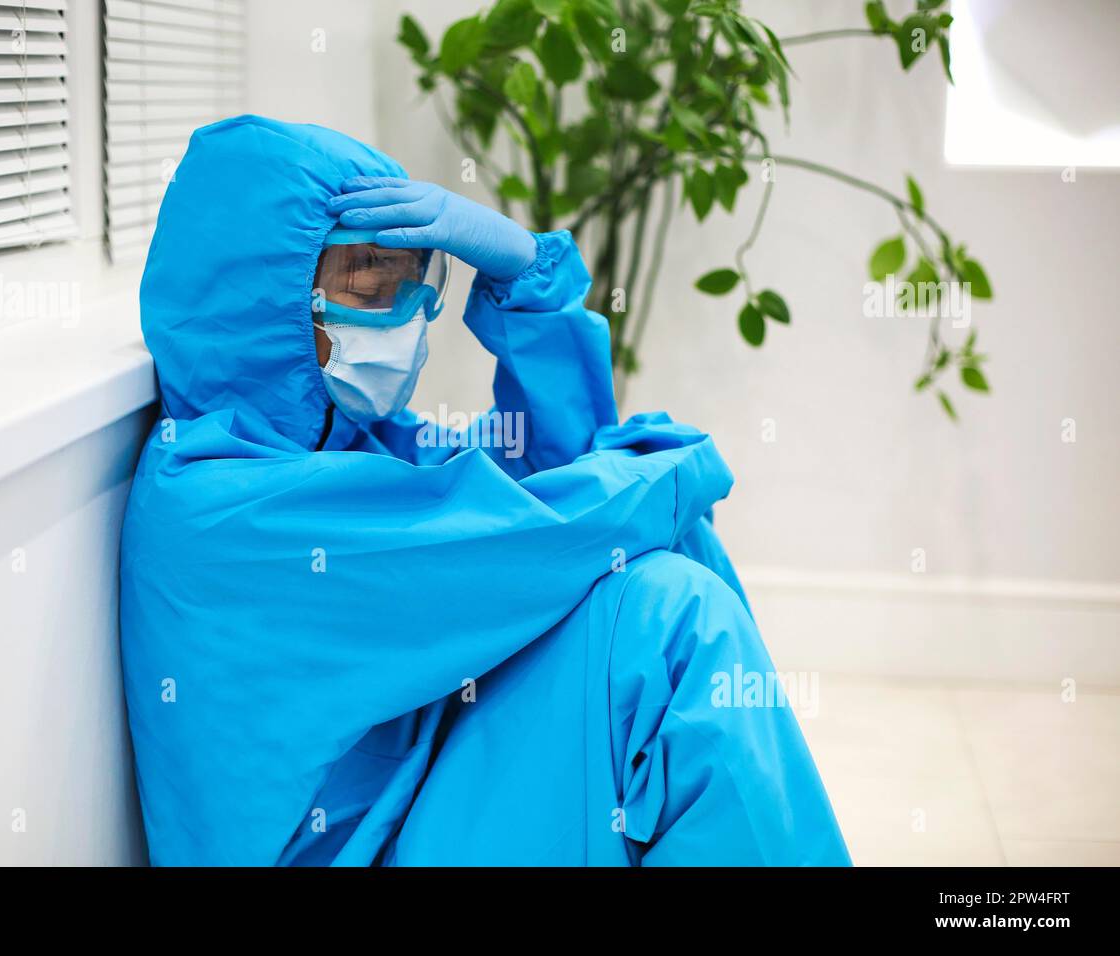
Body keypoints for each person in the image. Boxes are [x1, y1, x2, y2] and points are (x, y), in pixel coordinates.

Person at [120, 114, 850, 866]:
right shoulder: (219, 507)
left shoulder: (348, 441)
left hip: (414, 801)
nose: (407, 315)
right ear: (263, 301)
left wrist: (528, 279)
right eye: (369, 282)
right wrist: (684, 464)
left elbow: (545, 465)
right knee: (669, 615)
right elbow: (547, 530)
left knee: (660, 572)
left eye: (414, 281)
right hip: (364, 847)